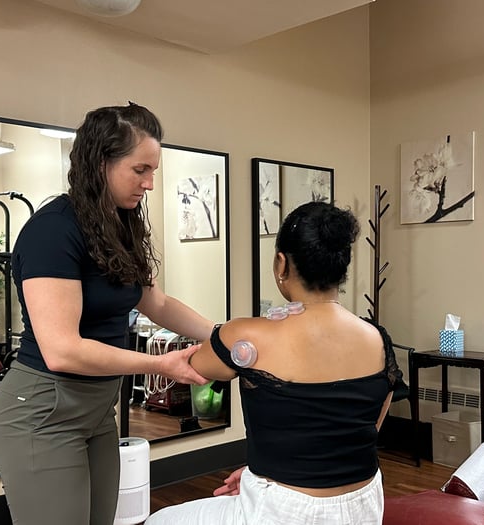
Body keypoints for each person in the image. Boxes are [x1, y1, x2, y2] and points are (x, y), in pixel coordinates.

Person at [0, 103, 214, 525]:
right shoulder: (53, 230)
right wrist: (161, 364)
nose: (149, 184)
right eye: (140, 170)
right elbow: (62, 351)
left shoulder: (117, 224)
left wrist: (219, 335)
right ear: (100, 162)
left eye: (153, 172)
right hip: (42, 412)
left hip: (95, 411)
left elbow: (156, 304)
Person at [146, 201, 403, 525]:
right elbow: (367, 429)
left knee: (160, 520)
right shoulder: (378, 339)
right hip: (362, 507)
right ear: (341, 268)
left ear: (281, 264)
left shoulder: (247, 334)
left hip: (285, 511)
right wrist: (264, 471)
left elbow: (193, 366)